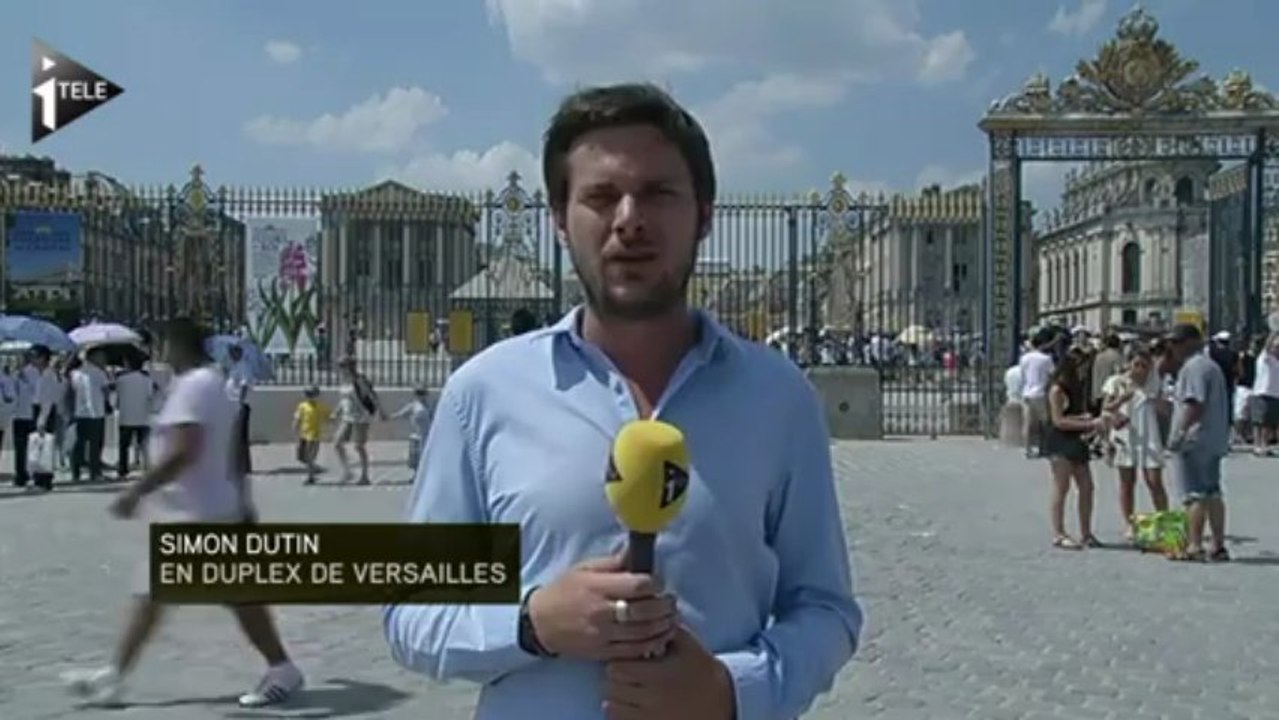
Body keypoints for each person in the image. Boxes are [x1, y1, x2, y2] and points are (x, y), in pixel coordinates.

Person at [384, 82, 862, 720]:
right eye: (601, 196)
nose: (629, 218)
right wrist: (531, 624)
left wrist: (731, 690)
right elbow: (412, 611)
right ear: (559, 219)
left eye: (659, 192)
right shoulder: (483, 393)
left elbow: (826, 609)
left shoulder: (779, 397)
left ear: (706, 214)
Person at [61, 317, 305, 707]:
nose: (160, 353)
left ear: (178, 346)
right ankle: (114, 676)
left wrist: (136, 492)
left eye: (163, 345)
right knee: (172, 594)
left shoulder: (194, 387)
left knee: (197, 594)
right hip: (209, 509)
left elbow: (184, 452)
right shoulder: (212, 384)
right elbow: (228, 453)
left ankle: (281, 667)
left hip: (201, 515)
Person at [1164, 323, 1233, 562]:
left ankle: (1194, 545)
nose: (1171, 347)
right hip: (1214, 437)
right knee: (1212, 491)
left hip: (1194, 439)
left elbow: (1194, 404)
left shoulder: (1193, 368)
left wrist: (1179, 433)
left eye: (1175, 342)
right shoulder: (1211, 367)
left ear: (1190, 342)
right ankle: (1218, 544)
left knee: (1193, 494)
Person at [1100, 345, 1169, 542]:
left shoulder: (1155, 383)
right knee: (1127, 482)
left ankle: (1163, 522)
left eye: (1144, 365)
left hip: (1150, 434)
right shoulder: (1116, 382)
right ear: (1129, 363)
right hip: (1125, 433)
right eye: (1136, 364)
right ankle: (1130, 523)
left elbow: (1166, 409)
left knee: (1154, 481)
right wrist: (1122, 399)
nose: (1139, 369)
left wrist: (1159, 403)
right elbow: (1106, 407)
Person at [1044, 347, 1106, 550]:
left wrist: (1084, 418)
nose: (1084, 371)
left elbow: (1071, 416)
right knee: (1061, 488)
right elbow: (1058, 421)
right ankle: (1059, 533)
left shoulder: (1077, 388)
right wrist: (1089, 423)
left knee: (1087, 487)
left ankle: (1086, 532)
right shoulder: (1057, 390)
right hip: (1061, 440)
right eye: (1081, 367)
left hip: (1077, 440)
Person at [332, 356, 386, 484]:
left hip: (361, 416)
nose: (340, 370)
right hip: (347, 416)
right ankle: (348, 471)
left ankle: (365, 476)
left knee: (359, 446)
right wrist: (337, 411)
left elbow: (372, 395)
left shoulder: (359, 380)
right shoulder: (344, 381)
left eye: (342, 366)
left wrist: (381, 412)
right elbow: (344, 399)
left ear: (349, 367)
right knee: (337, 443)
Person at [69, 348, 111, 483]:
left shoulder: (75, 373)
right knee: (96, 444)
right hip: (96, 412)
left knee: (79, 443)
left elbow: (72, 391)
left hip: (80, 413)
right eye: (101, 356)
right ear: (92, 357)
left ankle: (76, 472)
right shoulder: (99, 372)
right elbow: (106, 391)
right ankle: (95, 472)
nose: (104, 359)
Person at [113, 354, 157, 478]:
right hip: (142, 416)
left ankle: (123, 469)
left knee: (124, 446)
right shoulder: (147, 379)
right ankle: (147, 466)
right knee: (143, 444)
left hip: (126, 416)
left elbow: (117, 395)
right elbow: (151, 395)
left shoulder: (121, 379)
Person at [390, 386, 432, 470]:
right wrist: (389, 417)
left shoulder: (429, 407)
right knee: (416, 457)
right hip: (416, 436)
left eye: (423, 394)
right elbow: (400, 414)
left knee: (426, 457)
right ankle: (416, 475)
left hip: (427, 436)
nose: (422, 396)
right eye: (420, 394)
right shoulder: (413, 406)